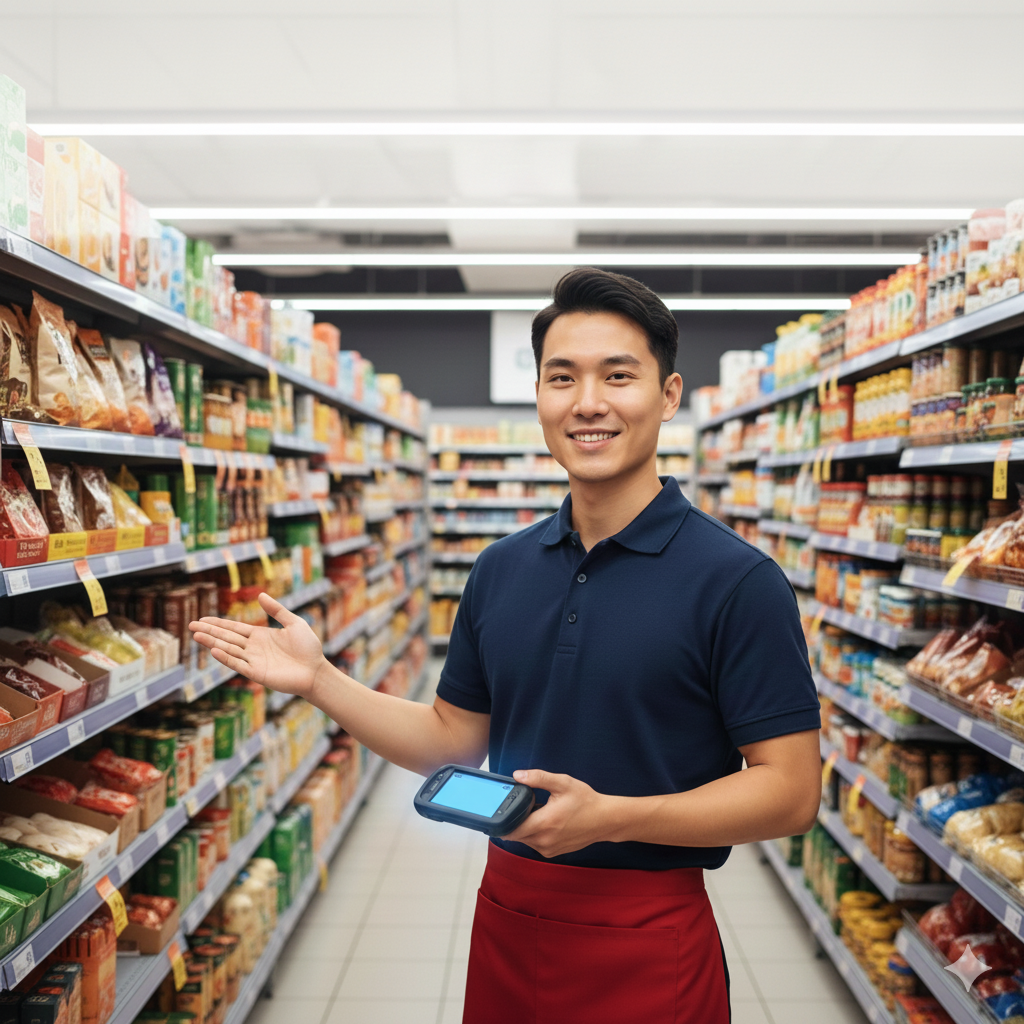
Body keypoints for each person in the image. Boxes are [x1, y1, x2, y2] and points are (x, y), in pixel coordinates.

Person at [190, 267, 821, 1024]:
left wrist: (613, 816)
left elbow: (790, 792)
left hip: (649, 937)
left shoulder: (737, 581)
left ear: (669, 394)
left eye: (618, 375)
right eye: (563, 377)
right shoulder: (499, 569)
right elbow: (452, 740)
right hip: (505, 921)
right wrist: (321, 680)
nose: (588, 402)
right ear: (540, 397)